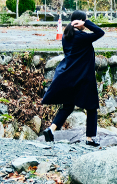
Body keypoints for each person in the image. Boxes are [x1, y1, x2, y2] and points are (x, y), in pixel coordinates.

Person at [41, 9, 105, 145]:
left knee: (68, 106)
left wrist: (80, 23)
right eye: (84, 19)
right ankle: (89, 138)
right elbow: (100, 32)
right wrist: (86, 22)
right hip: (83, 77)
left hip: (69, 76)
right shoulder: (82, 37)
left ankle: (51, 129)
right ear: (80, 21)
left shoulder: (66, 35)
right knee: (92, 107)